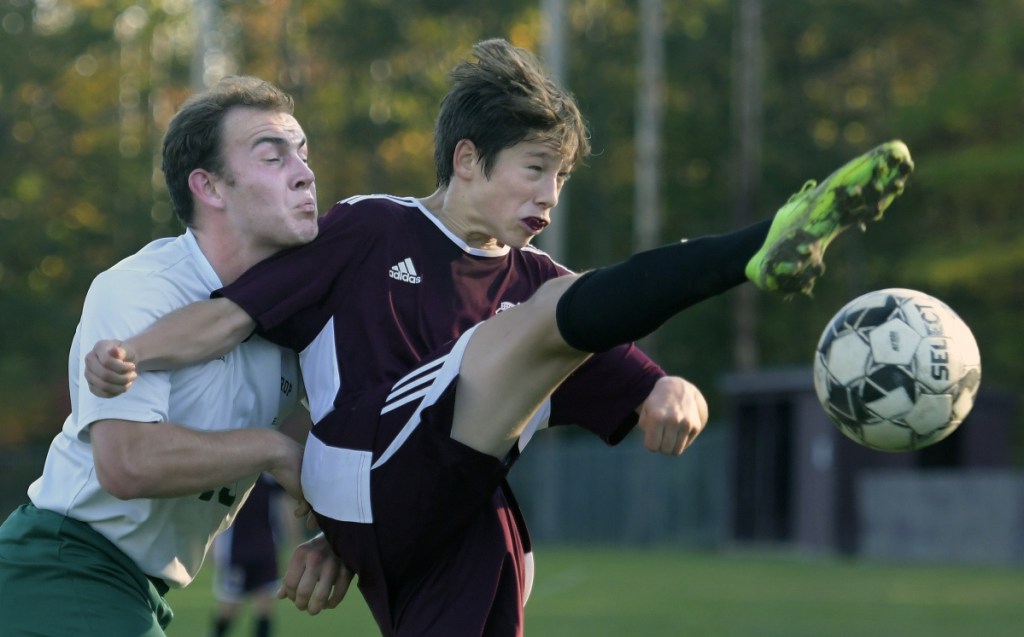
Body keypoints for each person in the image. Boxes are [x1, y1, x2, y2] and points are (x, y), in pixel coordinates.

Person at [85, 40, 914, 636]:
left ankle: (762, 248)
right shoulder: (371, 229)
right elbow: (230, 315)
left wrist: (673, 391)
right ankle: (761, 244)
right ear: (469, 159)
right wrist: (136, 354)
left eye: (562, 177)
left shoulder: (535, 281)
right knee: (536, 325)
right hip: (357, 470)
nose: (549, 195)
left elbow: (631, 371)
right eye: (534, 169)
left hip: (447, 515)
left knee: (510, 514)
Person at [0, 76, 350, 637]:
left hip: (135, 587)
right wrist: (271, 449)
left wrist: (340, 536)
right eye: (272, 156)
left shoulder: (298, 310)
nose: (305, 172)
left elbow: (341, 435)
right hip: (60, 565)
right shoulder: (141, 288)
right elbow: (127, 463)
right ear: (209, 187)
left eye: (303, 154)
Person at [209, 473, 289, 637]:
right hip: (237, 552)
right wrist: (213, 544)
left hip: (265, 550)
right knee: (230, 607)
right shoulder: (233, 476)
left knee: (265, 607)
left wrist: (289, 539)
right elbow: (216, 511)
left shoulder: (270, 478)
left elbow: (283, 510)